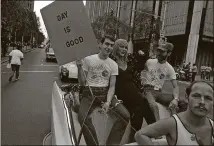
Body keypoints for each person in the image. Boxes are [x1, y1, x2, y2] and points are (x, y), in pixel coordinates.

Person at [77, 35, 130, 145]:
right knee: (82, 118)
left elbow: (112, 86)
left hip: (106, 93)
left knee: (125, 115)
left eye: (111, 45)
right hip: (89, 93)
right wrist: (79, 68)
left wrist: (108, 102)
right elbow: (82, 83)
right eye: (106, 44)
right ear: (100, 44)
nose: (109, 47)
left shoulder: (113, 64)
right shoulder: (88, 59)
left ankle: (111, 143)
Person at [135, 81, 214, 145]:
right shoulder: (174, 123)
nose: (202, 102)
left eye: (208, 98)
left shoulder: (212, 126)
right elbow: (140, 134)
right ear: (187, 97)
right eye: (196, 96)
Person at [109, 39, 155, 132]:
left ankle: (136, 134)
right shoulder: (111, 61)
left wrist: (141, 88)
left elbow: (136, 75)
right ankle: (154, 129)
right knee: (142, 103)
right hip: (121, 93)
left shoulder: (129, 60)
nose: (124, 49)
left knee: (140, 108)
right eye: (121, 47)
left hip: (133, 91)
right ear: (116, 48)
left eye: (126, 47)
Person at [140, 42, 180, 122]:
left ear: (168, 53)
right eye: (158, 51)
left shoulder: (169, 68)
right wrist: (143, 81)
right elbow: (143, 71)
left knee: (181, 103)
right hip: (148, 90)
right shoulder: (150, 62)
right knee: (154, 106)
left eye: (162, 52)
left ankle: (175, 125)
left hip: (159, 93)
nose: (158, 53)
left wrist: (175, 99)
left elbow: (175, 86)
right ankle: (158, 126)